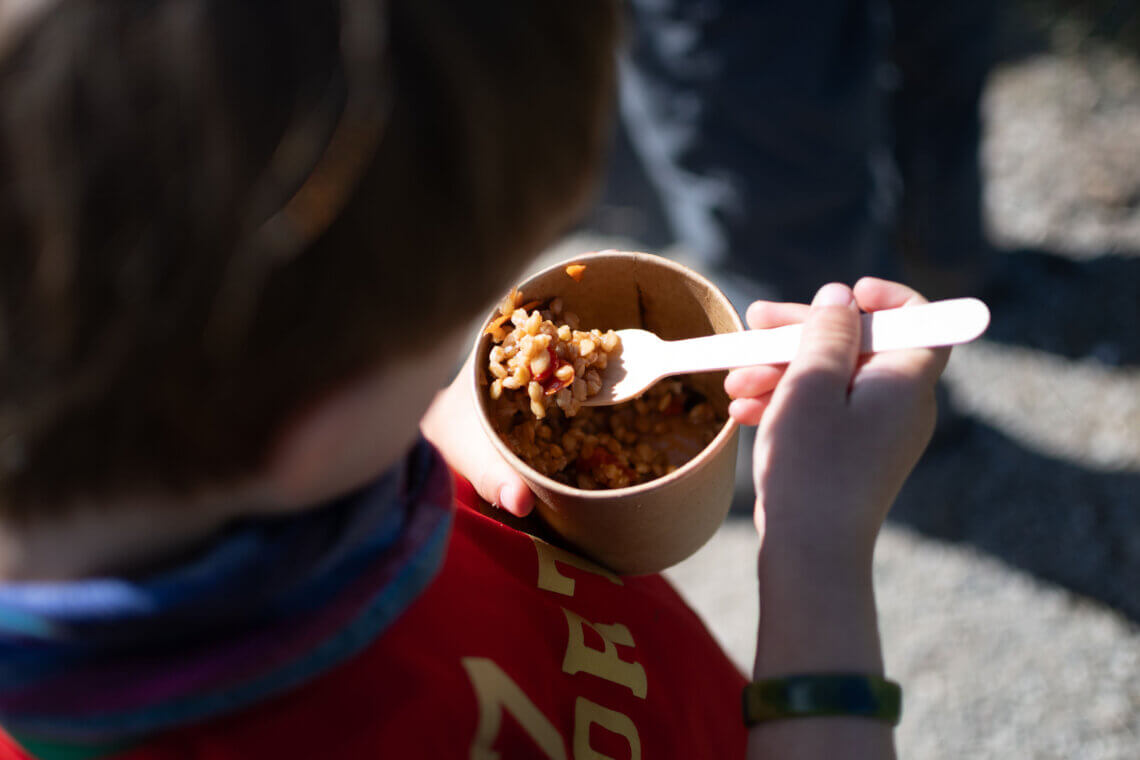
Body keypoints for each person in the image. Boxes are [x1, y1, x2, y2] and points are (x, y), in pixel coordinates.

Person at [0, 1, 949, 758]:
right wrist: (817, 554)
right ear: (317, 431)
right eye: (446, 339)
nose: (473, 354)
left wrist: (428, 440)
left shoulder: (229, 449)